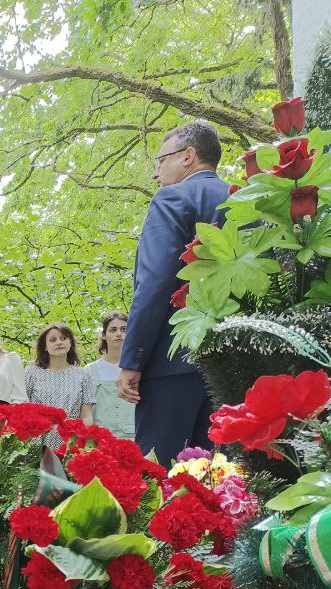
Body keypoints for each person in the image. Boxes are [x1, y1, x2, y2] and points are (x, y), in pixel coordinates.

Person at [118, 120, 229, 464]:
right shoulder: (245, 202)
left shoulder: (172, 198)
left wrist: (132, 359)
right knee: (225, 479)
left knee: (162, 478)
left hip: (173, 361)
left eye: (161, 160)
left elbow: (153, 284)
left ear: (188, 156)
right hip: (234, 363)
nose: (156, 173)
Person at [24, 324, 94, 449]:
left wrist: (85, 443)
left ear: (70, 343)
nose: (59, 342)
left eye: (63, 338)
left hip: (70, 440)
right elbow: (22, 408)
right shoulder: (31, 372)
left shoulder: (83, 375)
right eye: (53, 340)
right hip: (37, 439)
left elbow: (86, 415)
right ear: (45, 346)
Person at [86, 311, 136, 440]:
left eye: (123, 329)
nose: (119, 334)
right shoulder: (90, 370)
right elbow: (85, 411)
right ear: (104, 335)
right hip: (101, 441)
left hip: (134, 439)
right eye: (113, 330)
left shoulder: (138, 369)